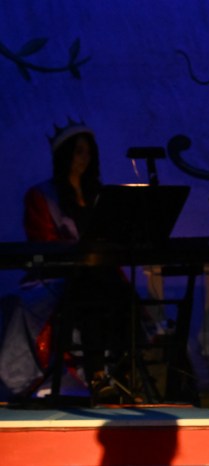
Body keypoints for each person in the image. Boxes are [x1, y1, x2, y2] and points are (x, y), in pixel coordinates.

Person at [0, 120, 131, 401]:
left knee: (122, 295)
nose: (84, 158)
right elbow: (42, 242)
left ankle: (124, 374)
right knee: (92, 291)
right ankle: (97, 374)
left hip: (98, 274)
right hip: (59, 275)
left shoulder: (99, 195)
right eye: (78, 151)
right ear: (64, 155)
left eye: (88, 152)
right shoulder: (42, 196)